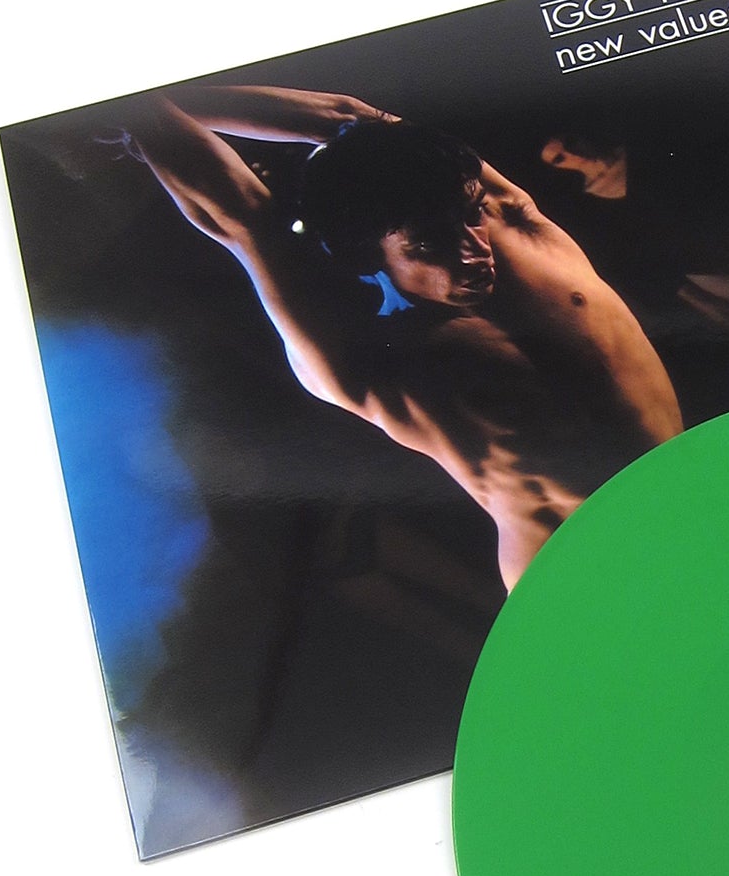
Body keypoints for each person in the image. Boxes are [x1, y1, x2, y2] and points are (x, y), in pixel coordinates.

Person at [121, 85, 683, 591]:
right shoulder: (369, 366)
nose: (475, 250)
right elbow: (240, 216)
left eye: (471, 216)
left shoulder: (517, 230)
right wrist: (136, 110)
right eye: (429, 245)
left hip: (690, 501)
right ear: (367, 259)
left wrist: (162, 97)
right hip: (575, 579)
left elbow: (351, 118)